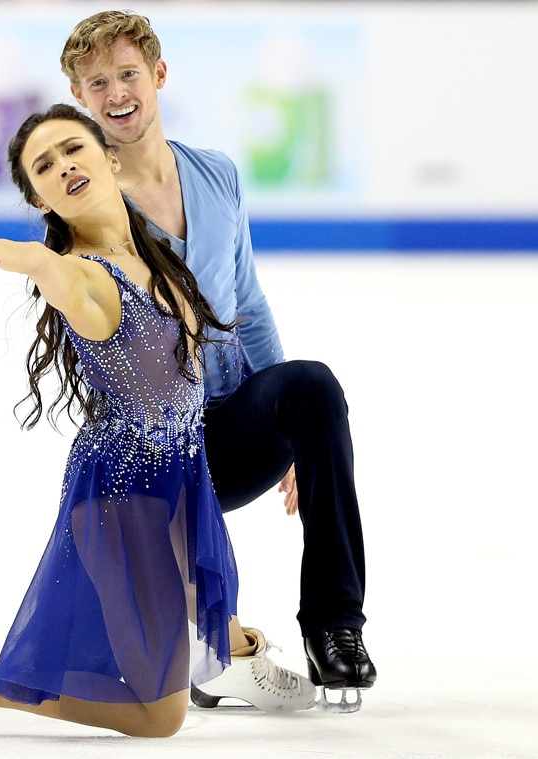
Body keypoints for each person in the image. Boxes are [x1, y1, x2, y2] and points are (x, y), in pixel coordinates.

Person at [0, 104, 317, 740]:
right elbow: (47, 269)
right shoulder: (84, 274)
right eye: (44, 166)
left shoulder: (153, 253)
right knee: (160, 717)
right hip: (125, 499)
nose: (64, 166)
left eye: (74, 149)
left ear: (110, 159)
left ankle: (238, 655)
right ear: (42, 201)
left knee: (202, 619)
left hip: (180, 472)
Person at [58, 11, 376, 709]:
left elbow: (251, 304)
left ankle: (335, 628)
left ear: (159, 75)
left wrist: (291, 437)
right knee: (170, 661)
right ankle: (204, 630)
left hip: (230, 428)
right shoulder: (84, 210)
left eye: (128, 74)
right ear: (81, 96)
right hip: (154, 457)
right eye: (99, 82)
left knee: (313, 387)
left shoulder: (217, 175)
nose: (117, 92)